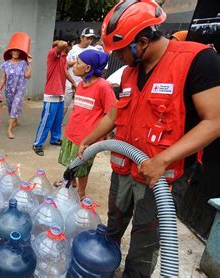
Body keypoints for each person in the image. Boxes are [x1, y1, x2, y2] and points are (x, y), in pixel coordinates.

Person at [79, 1, 220, 276]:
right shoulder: (131, 72)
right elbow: (112, 116)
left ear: (141, 42)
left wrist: (162, 160)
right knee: (113, 227)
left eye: (120, 50)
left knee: (145, 245)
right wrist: (88, 141)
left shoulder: (197, 61)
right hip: (124, 171)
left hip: (162, 179)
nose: (116, 57)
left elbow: (214, 121)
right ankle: (102, 266)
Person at [58, 50, 116, 200]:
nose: (74, 65)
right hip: (72, 132)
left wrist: (100, 137)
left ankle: (80, 194)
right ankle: (71, 184)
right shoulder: (80, 84)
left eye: (78, 63)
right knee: (70, 162)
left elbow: (111, 114)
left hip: (87, 137)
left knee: (82, 167)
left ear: (88, 68)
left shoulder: (103, 87)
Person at [33, 40, 77, 156]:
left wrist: (73, 82)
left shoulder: (63, 57)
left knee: (58, 120)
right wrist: (59, 43)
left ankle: (55, 139)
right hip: (51, 94)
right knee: (46, 121)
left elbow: (65, 71)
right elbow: (61, 45)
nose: (70, 49)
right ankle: (37, 144)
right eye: (69, 46)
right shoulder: (53, 54)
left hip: (60, 94)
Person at [0, 49, 33, 139]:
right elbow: (3, 78)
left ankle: (9, 130)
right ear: (10, 52)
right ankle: (15, 120)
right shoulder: (5, 64)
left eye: (18, 51)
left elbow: (28, 76)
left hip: (20, 90)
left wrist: (30, 63)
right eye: (14, 51)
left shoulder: (23, 63)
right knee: (11, 107)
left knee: (15, 107)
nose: (16, 53)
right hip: (9, 90)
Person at [65, 28, 97, 115]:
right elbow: (65, 64)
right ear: (82, 37)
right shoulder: (72, 49)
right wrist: (77, 62)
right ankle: (58, 124)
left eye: (91, 38)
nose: (90, 40)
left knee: (80, 106)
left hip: (85, 83)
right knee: (64, 104)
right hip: (70, 81)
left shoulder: (94, 51)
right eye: (88, 38)